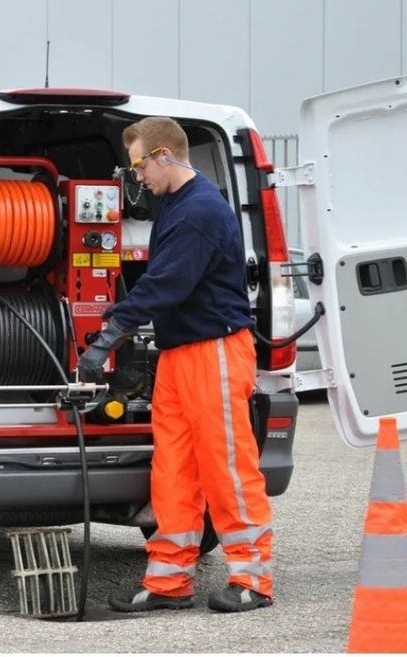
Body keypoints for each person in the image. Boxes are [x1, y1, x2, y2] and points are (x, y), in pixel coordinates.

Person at [77, 116, 273, 613]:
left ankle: (252, 579)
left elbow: (168, 284)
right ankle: (169, 581)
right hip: (181, 353)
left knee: (227, 468)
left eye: (139, 166)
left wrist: (110, 335)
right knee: (174, 470)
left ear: (164, 155)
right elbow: (162, 278)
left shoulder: (198, 211)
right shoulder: (177, 206)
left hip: (215, 352)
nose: (137, 177)